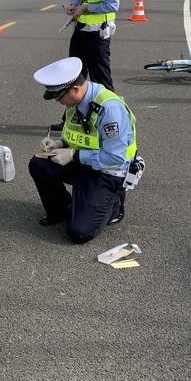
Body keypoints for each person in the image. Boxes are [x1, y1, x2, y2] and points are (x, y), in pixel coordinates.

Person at [28, 57, 137, 243]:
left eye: (59, 97)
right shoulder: (75, 102)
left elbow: (115, 157)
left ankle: (115, 204)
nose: (57, 101)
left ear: (75, 89)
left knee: (79, 233)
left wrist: (73, 155)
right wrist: (60, 144)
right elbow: (78, 133)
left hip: (107, 171)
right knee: (38, 164)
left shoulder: (110, 109)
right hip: (84, 163)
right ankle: (62, 209)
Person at [49, 0, 119, 91]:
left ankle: (109, 108)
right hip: (81, 29)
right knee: (74, 71)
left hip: (99, 32)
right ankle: (78, 107)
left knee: (99, 75)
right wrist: (73, 5)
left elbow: (113, 5)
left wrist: (86, 7)